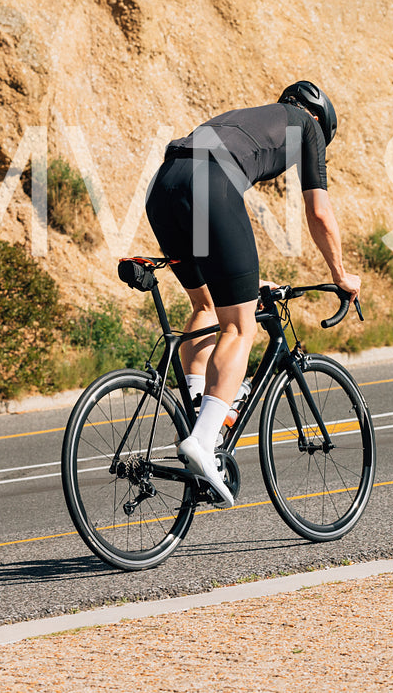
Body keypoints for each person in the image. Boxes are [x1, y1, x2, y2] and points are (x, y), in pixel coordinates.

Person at [144, 80, 361, 507]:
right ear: (320, 117)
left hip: (164, 184)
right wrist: (341, 274)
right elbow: (318, 211)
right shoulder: (308, 126)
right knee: (240, 328)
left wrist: (243, 282)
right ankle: (203, 442)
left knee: (208, 304)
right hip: (209, 183)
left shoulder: (252, 119)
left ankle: (194, 411)